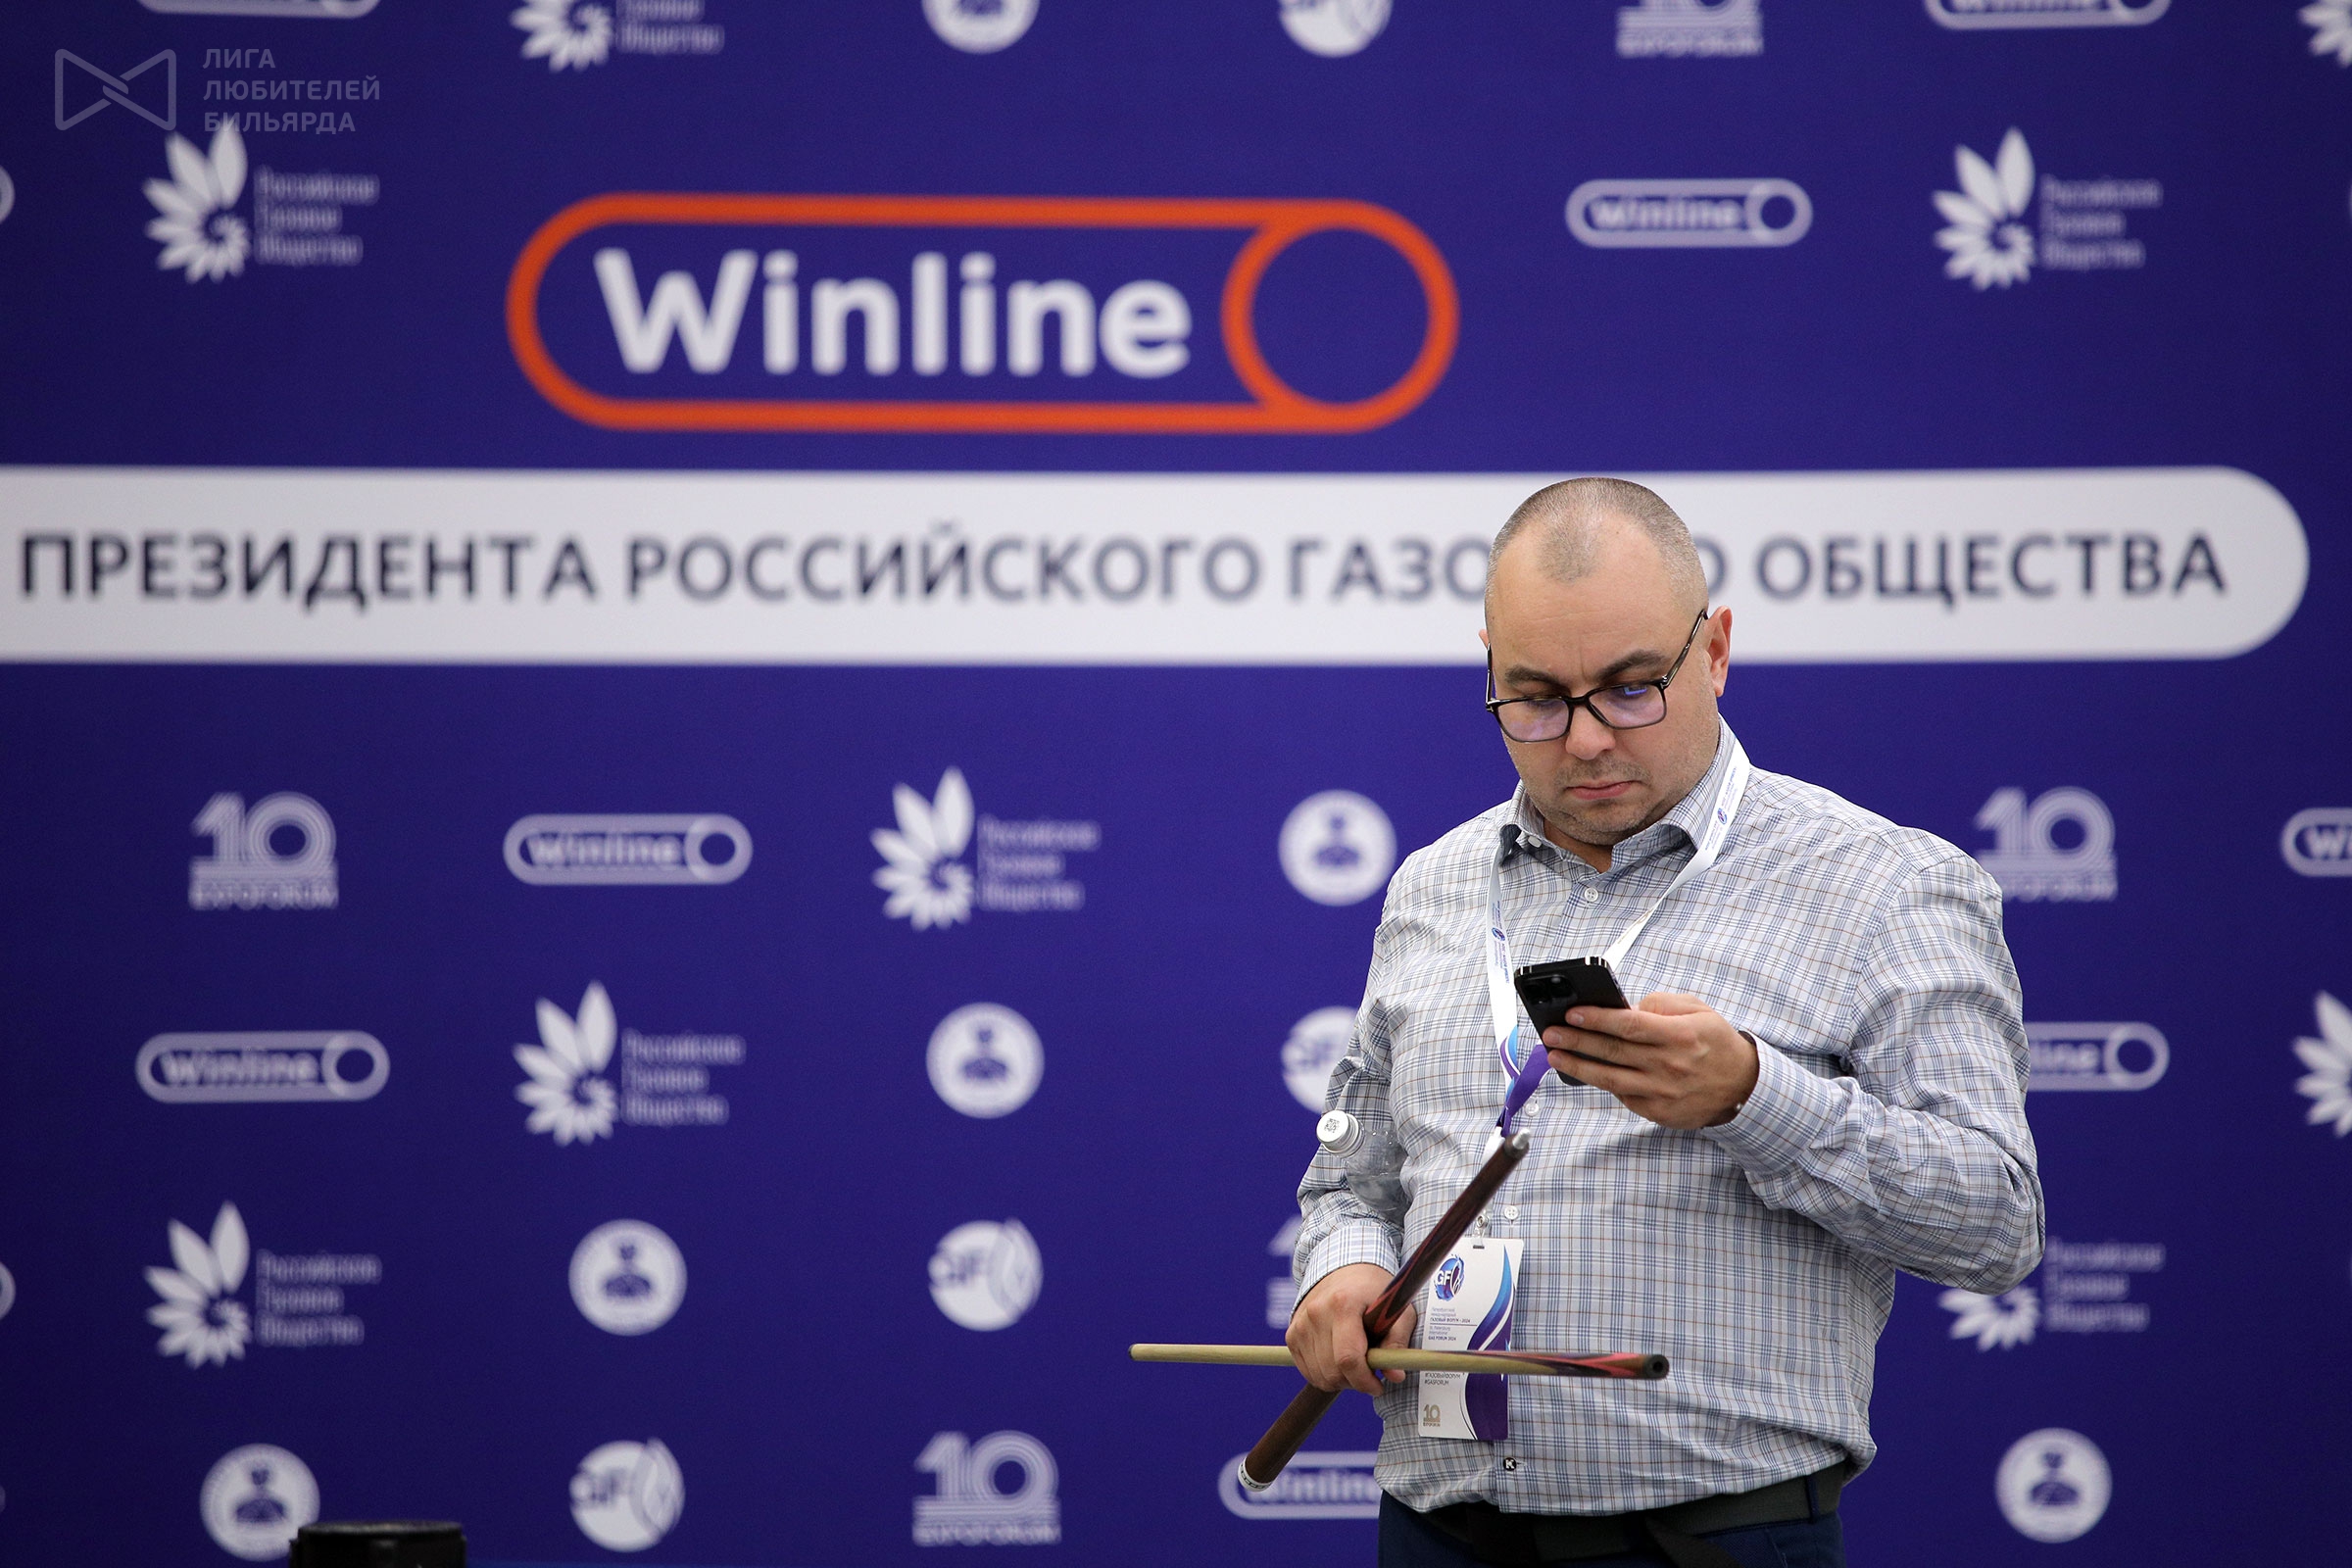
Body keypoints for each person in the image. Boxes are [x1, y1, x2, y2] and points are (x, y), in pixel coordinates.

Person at [1286, 478, 2042, 1568]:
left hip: (1715, 1535)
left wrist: (1752, 1098)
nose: (1586, 740)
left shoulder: (1886, 885)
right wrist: (1345, 1269)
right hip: (1435, 1526)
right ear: (1488, 671)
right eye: (1535, 699)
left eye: (1632, 688)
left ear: (1716, 650)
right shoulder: (1431, 886)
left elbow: (1995, 1222)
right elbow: (1351, 1178)